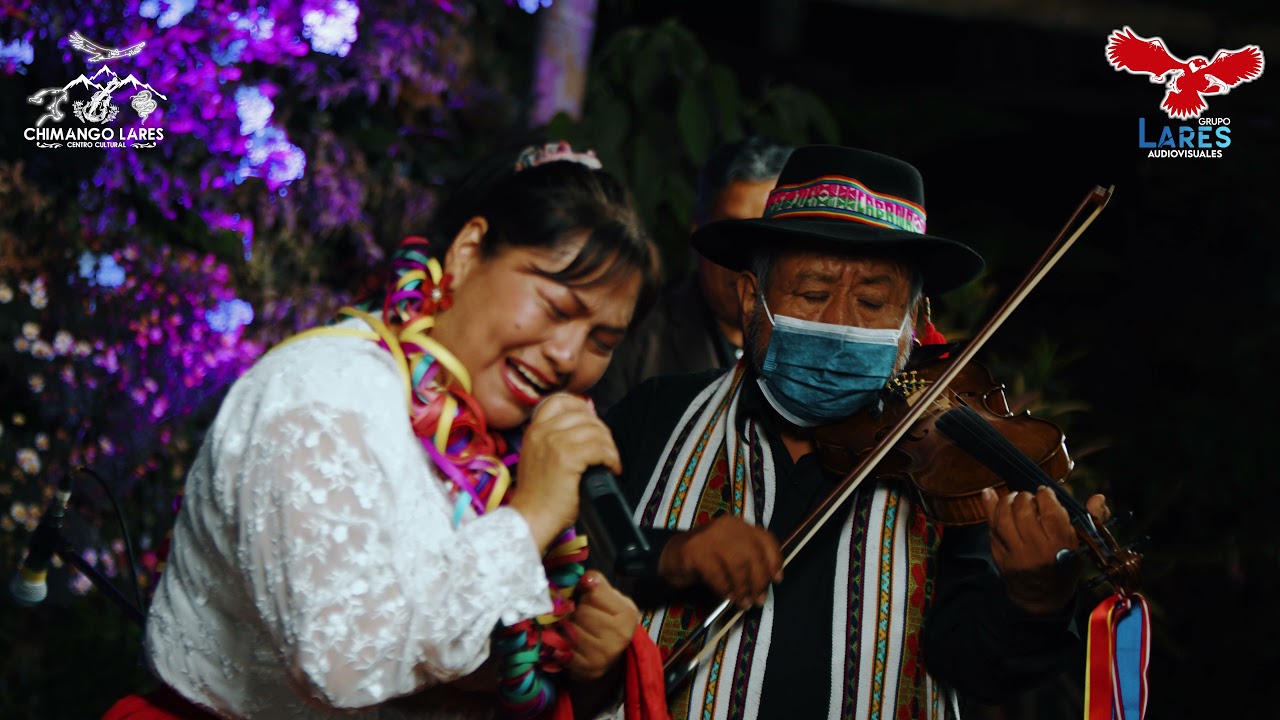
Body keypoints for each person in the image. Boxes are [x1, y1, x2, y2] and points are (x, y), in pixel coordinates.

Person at [109, 142, 667, 719]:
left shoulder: (500, 440)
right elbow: (340, 665)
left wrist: (582, 658)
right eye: (556, 308)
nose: (567, 354)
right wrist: (530, 518)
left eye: (602, 341)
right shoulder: (324, 392)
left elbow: (439, 668)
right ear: (468, 253)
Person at [604, 145, 1111, 719]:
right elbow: (568, 564)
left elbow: (974, 664)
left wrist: (1033, 599)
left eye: (872, 301)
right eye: (813, 294)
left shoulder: (949, 472)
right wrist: (672, 554)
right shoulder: (659, 413)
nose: (841, 323)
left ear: (913, 322)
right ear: (751, 298)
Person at [588, 137, 793, 416]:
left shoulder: (813, 342)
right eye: (731, 234)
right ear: (698, 234)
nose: (748, 258)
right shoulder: (632, 338)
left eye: (768, 237)